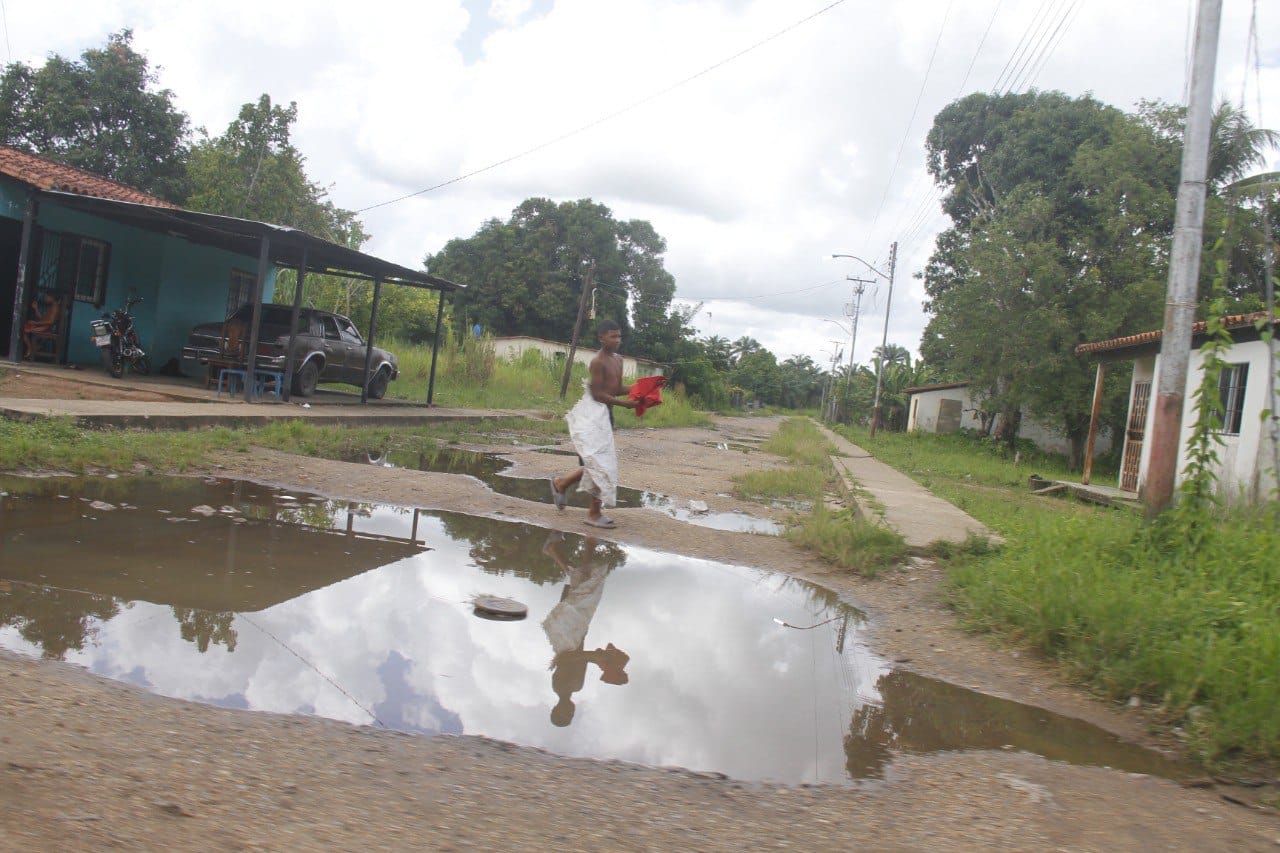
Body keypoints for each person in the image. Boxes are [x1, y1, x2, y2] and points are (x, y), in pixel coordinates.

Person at [549, 319, 638, 529]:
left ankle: (560, 484)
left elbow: (614, 388)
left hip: (606, 416)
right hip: (592, 417)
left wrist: (639, 389)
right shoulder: (598, 362)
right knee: (600, 466)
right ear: (601, 338)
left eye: (619, 336)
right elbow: (598, 394)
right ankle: (593, 513)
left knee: (596, 464)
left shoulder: (619, 359)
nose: (617, 340)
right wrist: (625, 404)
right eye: (612, 336)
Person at [22, 293, 61, 360]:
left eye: (46, 296)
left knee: (22, 329)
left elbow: (51, 322)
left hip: (45, 328)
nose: (45, 298)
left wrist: (36, 323)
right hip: (43, 326)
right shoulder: (52, 306)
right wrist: (36, 308)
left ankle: (30, 348)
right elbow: (42, 318)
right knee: (24, 326)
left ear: (52, 297)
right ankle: (34, 347)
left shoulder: (55, 307)